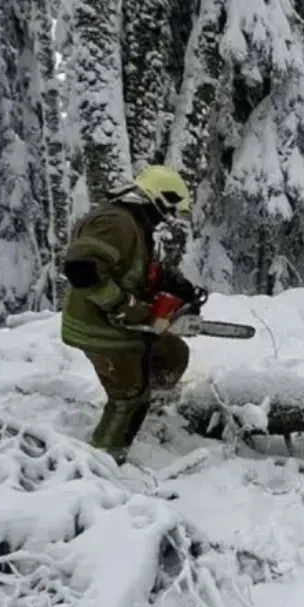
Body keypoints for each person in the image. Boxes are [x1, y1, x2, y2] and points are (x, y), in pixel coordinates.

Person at [60, 165, 202, 465]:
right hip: (98, 326)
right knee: (129, 399)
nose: (170, 218)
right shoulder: (114, 222)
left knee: (172, 353)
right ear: (160, 198)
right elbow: (81, 269)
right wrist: (125, 306)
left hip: (120, 324)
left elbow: (136, 269)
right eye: (171, 210)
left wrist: (175, 285)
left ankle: (152, 412)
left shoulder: (134, 224)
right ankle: (103, 460)